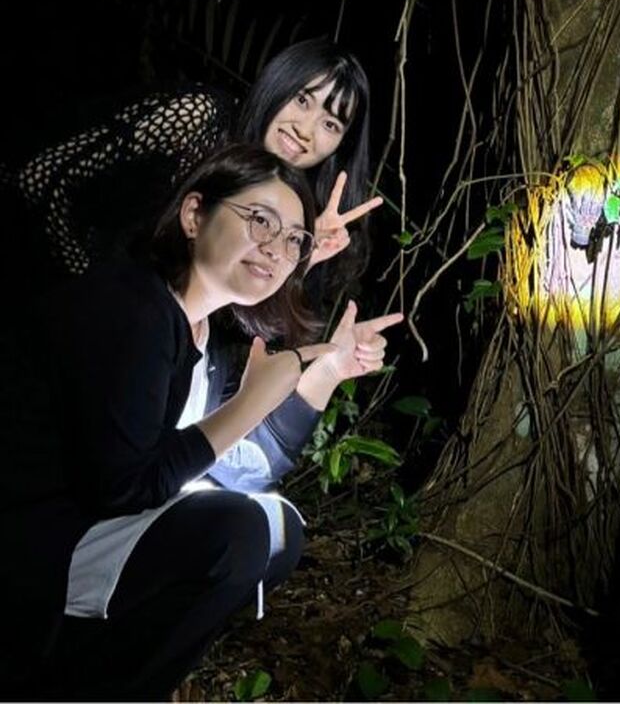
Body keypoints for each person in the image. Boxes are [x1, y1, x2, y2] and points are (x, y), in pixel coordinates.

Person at [0, 143, 404, 700]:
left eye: (295, 240)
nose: (276, 248)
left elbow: (236, 466)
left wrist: (329, 370)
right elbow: (124, 486)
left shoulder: (205, 331)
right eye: (260, 220)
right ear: (194, 215)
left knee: (274, 530)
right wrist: (249, 404)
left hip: (88, 527)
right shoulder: (133, 309)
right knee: (236, 533)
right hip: (32, 539)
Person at [13, 35, 381, 318]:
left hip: (129, 346)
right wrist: (90, 287)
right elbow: (40, 176)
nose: (305, 130)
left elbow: (233, 329)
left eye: (330, 124)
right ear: (278, 83)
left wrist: (303, 257)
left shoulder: (289, 214)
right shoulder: (199, 117)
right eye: (302, 100)